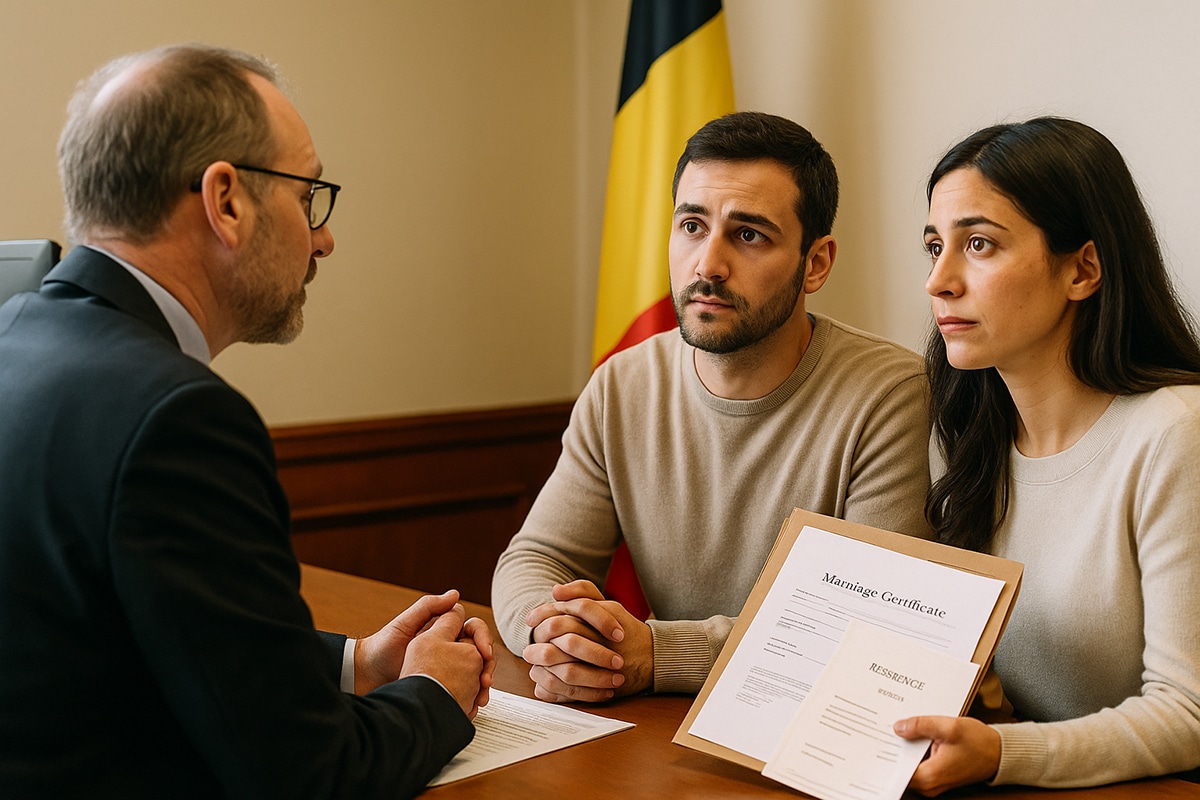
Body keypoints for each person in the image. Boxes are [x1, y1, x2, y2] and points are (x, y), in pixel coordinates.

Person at [0, 44, 494, 798]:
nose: (323, 238)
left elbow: (120, 635)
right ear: (226, 201)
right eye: (308, 195)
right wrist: (435, 693)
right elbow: (310, 776)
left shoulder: (15, 338)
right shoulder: (177, 417)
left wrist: (355, 665)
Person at [492, 111, 933, 704]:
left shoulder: (890, 393)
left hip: (812, 726)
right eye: (692, 226)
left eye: (748, 235)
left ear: (816, 263)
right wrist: (556, 634)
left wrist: (659, 654)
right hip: (661, 724)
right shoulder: (622, 384)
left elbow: (867, 630)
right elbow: (538, 557)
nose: (707, 265)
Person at [893, 116, 1200, 793]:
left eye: (978, 244)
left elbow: (1190, 714)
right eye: (935, 246)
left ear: (1082, 269)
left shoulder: (1177, 433)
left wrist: (1003, 753)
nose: (938, 281)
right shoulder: (972, 434)